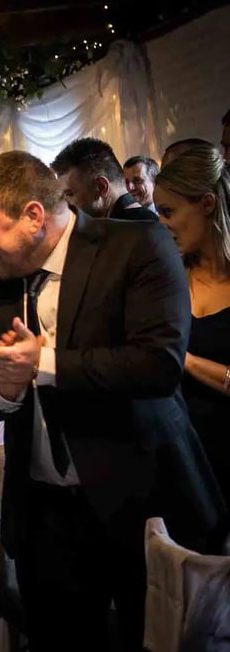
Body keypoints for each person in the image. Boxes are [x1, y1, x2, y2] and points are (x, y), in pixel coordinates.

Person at [0, 150, 225, 652]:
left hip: (144, 503)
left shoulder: (136, 245)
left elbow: (159, 364)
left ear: (34, 216)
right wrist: (6, 390)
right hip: (44, 515)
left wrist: (44, 365)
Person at [154, 143, 230, 505]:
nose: (161, 223)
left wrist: (180, 358)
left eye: (168, 211)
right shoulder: (166, 278)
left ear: (207, 203)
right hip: (184, 465)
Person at [52, 137, 156, 220]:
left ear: (101, 187)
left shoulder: (129, 231)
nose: (66, 203)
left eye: (70, 194)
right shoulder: (136, 222)